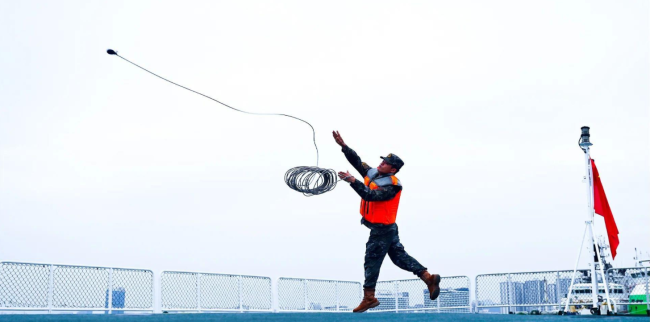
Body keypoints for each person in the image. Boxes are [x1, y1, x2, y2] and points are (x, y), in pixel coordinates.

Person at [333, 131, 441, 313]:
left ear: (393, 169)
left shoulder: (393, 185)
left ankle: (369, 297)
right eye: (382, 161)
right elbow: (357, 162)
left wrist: (353, 181)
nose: (381, 163)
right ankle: (428, 278)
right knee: (399, 257)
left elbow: (370, 195)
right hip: (387, 228)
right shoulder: (373, 173)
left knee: (371, 260)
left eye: (386, 163)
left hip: (382, 229)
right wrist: (344, 147)